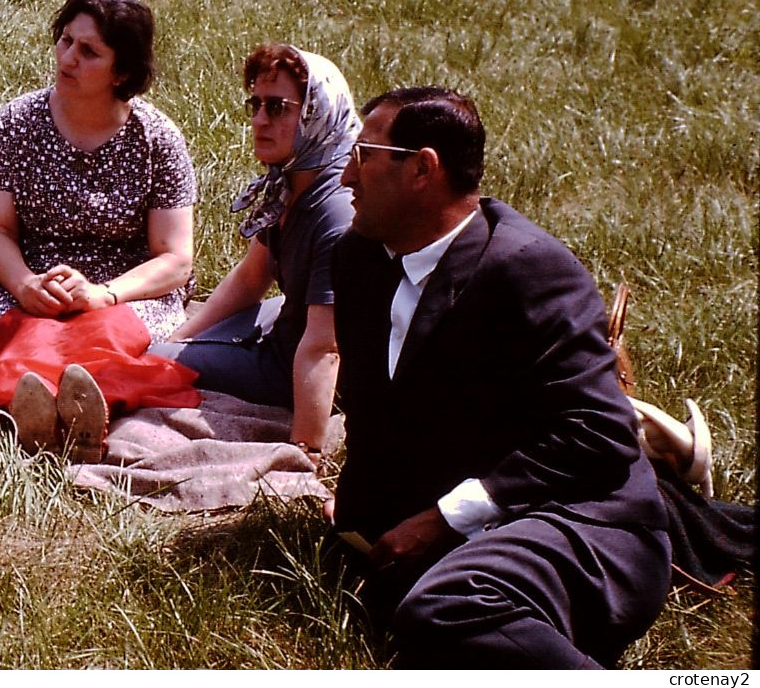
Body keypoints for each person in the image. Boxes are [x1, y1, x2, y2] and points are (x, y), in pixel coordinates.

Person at [329, 86, 670, 668]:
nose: (345, 177)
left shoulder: (528, 268)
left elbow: (601, 434)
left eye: (363, 153)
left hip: (578, 515)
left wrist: (443, 518)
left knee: (447, 607)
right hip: (481, 523)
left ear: (422, 169)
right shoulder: (359, 260)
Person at [0, 0, 198, 459]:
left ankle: (82, 418)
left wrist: (103, 294)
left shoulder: (158, 139)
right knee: (30, 342)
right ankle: (35, 415)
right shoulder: (17, 122)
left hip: (122, 286)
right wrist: (27, 284)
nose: (68, 58)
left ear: (123, 72)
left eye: (89, 51)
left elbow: (175, 259)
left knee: (106, 341)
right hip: (32, 278)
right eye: (66, 41)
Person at [149, 44, 356, 459]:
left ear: (318, 114)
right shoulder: (293, 182)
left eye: (277, 107)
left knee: (151, 363)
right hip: (287, 321)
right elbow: (250, 277)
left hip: (295, 366)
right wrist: (183, 336)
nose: (259, 120)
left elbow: (325, 348)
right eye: (256, 105)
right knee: (172, 345)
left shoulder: (334, 211)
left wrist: (303, 452)